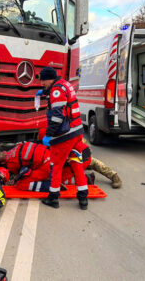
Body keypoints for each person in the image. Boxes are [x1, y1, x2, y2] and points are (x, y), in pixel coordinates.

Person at [37, 67, 88, 209]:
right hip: (77, 132)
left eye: (43, 81)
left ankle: (53, 198)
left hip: (65, 135)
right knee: (76, 163)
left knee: (56, 166)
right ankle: (83, 198)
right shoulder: (64, 84)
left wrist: (49, 135)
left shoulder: (56, 91)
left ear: (50, 79)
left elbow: (57, 116)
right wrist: (45, 93)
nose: (42, 83)